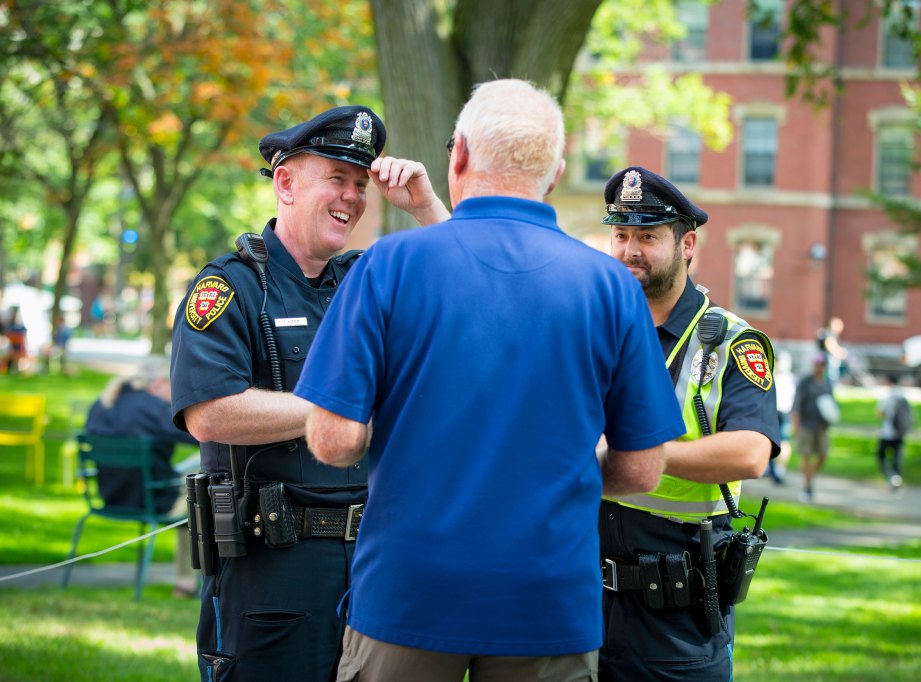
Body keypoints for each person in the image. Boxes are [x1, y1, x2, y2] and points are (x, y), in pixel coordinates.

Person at [297, 79, 682, 682]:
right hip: (548, 600)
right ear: (554, 173)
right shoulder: (609, 287)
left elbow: (334, 440)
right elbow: (642, 469)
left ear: (458, 155)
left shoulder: (389, 265)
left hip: (409, 592)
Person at [169, 105, 448, 682]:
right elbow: (210, 412)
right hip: (272, 569)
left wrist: (424, 205)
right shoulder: (230, 287)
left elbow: (468, 280)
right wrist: (338, 411)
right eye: (337, 179)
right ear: (286, 182)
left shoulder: (365, 280)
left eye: (360, 183)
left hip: (376, 564)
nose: (351, 197)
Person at [597, 166, 780, 681]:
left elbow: (751, 452)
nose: (631, 250)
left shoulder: (733, 343)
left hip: (677, 624)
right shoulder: (598, 328)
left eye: (648, 237)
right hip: (582, 608)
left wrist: (636, 458)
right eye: (621, 235)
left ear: (688, 244)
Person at [84, 354, 200, 597]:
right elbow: (202, 436)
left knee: (190, 476)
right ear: (158, 383)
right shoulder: (154, 410)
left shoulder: (102, 403)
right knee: (200, 486)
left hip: (110, 497)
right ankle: (186, 584)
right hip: (152, 499)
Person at [792, 353, 836, 502]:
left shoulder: (827, 383)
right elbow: (797, 405)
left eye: (821, 364)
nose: (818, 367)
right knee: (806, 455)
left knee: (823, 454)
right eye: (816, 364)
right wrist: (795, 426)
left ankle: (809, 476)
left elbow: (830, 402)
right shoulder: (806, 382)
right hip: (806, 424)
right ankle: (807, 487)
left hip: (821, 425)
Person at [876, 373, 912, 489]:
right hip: (900, 432)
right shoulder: (903, 397)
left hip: (887, 432)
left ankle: (891, 476)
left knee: (881, 455)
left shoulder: (888, 398)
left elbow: (880, 412)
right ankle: (896, 478)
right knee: (896, 457)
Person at [765, 349, 795, 485]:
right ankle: (778, 469)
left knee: (774, 441)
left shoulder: (776, 377)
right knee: (783, 441)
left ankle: (774, 469)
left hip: (776, 411)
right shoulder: (790, 379)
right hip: (785, 411)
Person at [816, 316, 847, 386]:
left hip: (824, 359)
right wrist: (839, 353)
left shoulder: (829, 334)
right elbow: (829, 346)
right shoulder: (829, 333)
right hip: (827, 359)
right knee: (831, 377)